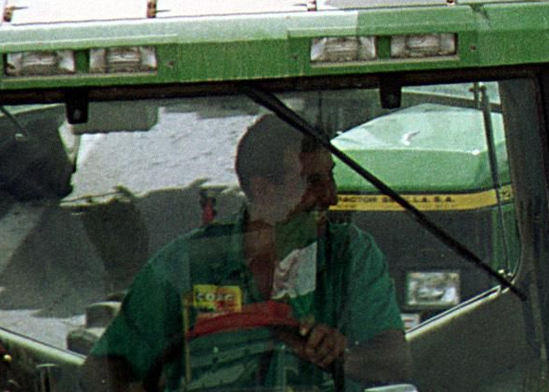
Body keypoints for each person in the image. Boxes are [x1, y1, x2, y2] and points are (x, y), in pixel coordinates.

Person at [85, 115, 409, 392]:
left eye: (331, 177)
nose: (332, 196)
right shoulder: (187, 263)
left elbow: (394, 364)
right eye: (313, 182)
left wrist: (342, 357)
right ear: (263, 189)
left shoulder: (350, 254)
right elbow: (102, 369)